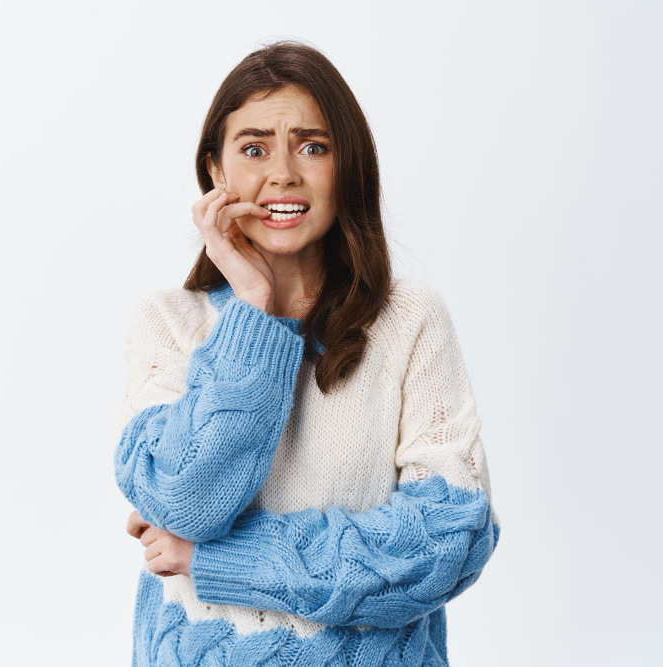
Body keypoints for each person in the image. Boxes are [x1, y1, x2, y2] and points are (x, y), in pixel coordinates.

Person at [113, 39, 501, 666]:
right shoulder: (169, 324)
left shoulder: (408, 322)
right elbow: (186, 499)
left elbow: (446, 541)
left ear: (346, 167)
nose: (284, 173)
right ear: (216, 171)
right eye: (254, 148)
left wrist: (215, 559)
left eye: (313, 146)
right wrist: (254, 306)